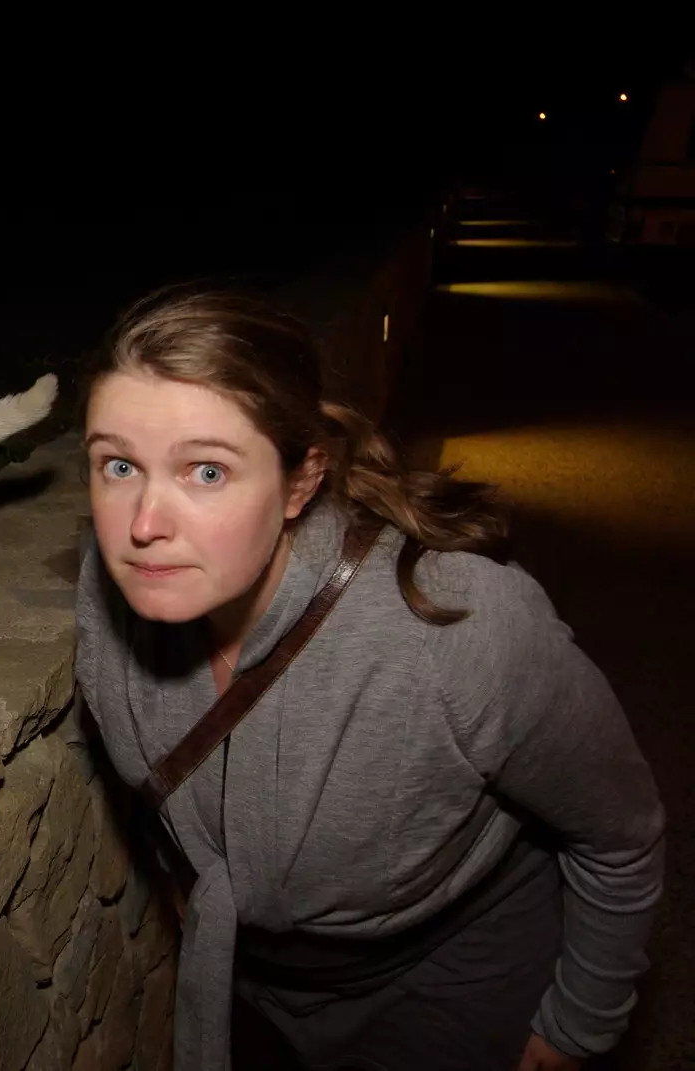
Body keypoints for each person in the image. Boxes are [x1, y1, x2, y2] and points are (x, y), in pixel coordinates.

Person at [71, 285, 665, 1071]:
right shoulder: (111, 591)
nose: (144, 523)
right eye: (118, 465)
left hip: (454, 988)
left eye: (206, 472)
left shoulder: (460, 629)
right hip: (259, 990)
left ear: (300, 480)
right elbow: (162, 775)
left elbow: (621, 838)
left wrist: (574, 1029)